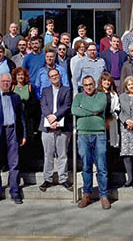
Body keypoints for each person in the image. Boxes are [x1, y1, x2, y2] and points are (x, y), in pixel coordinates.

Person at [0, 73, 27, 205]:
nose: (5, 83)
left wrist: (23, 135)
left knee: (14, 164)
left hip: (13, 132)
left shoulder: (16, 97)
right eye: (3, 81)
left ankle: (14, 192)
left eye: (8, 81)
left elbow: (21, 118)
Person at [72, 75, 111, 209]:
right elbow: (74, 110)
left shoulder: (101, 96)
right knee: (86, 166)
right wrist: (90, 112)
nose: (88, 87)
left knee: (102, 166)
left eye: (90, 84)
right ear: (83, 86)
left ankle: (104, 195)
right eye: (86, 85)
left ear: (94, 84)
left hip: (99, 134)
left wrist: (84, 109)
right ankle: (86, 194)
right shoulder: (78, 97)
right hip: (83, 135)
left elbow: (98, 108)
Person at [38, 68, 73, 192]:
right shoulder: (45, 90)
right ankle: (47, 179)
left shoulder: (66, 90)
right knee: (48, 155)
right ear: (49, 78)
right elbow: (43, 105)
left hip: (62, 126)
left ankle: (63, 179)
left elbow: (67, 105)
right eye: (52, 76)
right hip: (47, 127)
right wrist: (50, 118)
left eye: (56, 75)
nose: (54, 77)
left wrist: (56, 116)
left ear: (60, 76)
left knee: (62, 154)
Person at [11, 67, 39, 153]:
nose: (20, 77)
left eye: (22, 75)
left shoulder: (30, 87)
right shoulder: (12, 88)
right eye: (18, 75)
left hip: (28, 118)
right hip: (15, 119)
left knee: (28, 141)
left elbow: (34, 103)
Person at [97, 72, 120, 149]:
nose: (107, 82)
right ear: (101, 81)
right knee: (100, 145)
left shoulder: (114, 94)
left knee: (112, 145)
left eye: (109, 80)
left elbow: (117, 108)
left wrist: (111, 119)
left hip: (111, 121)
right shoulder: (96, 94)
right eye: (105, 80)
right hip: (99, 121)